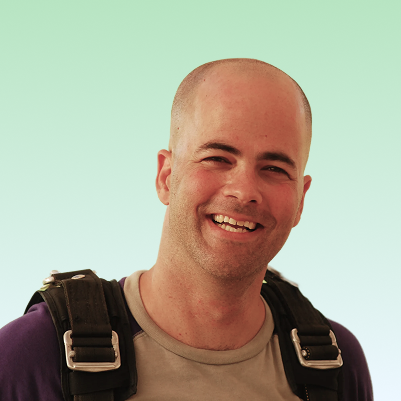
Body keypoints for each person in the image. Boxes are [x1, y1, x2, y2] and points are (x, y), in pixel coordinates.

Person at [0, 58, 373, 400]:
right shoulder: (32, 356)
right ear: (166, 176)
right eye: (217, 158)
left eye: (274, 168)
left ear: (301, 200)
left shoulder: (336, 367)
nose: (244, 191)